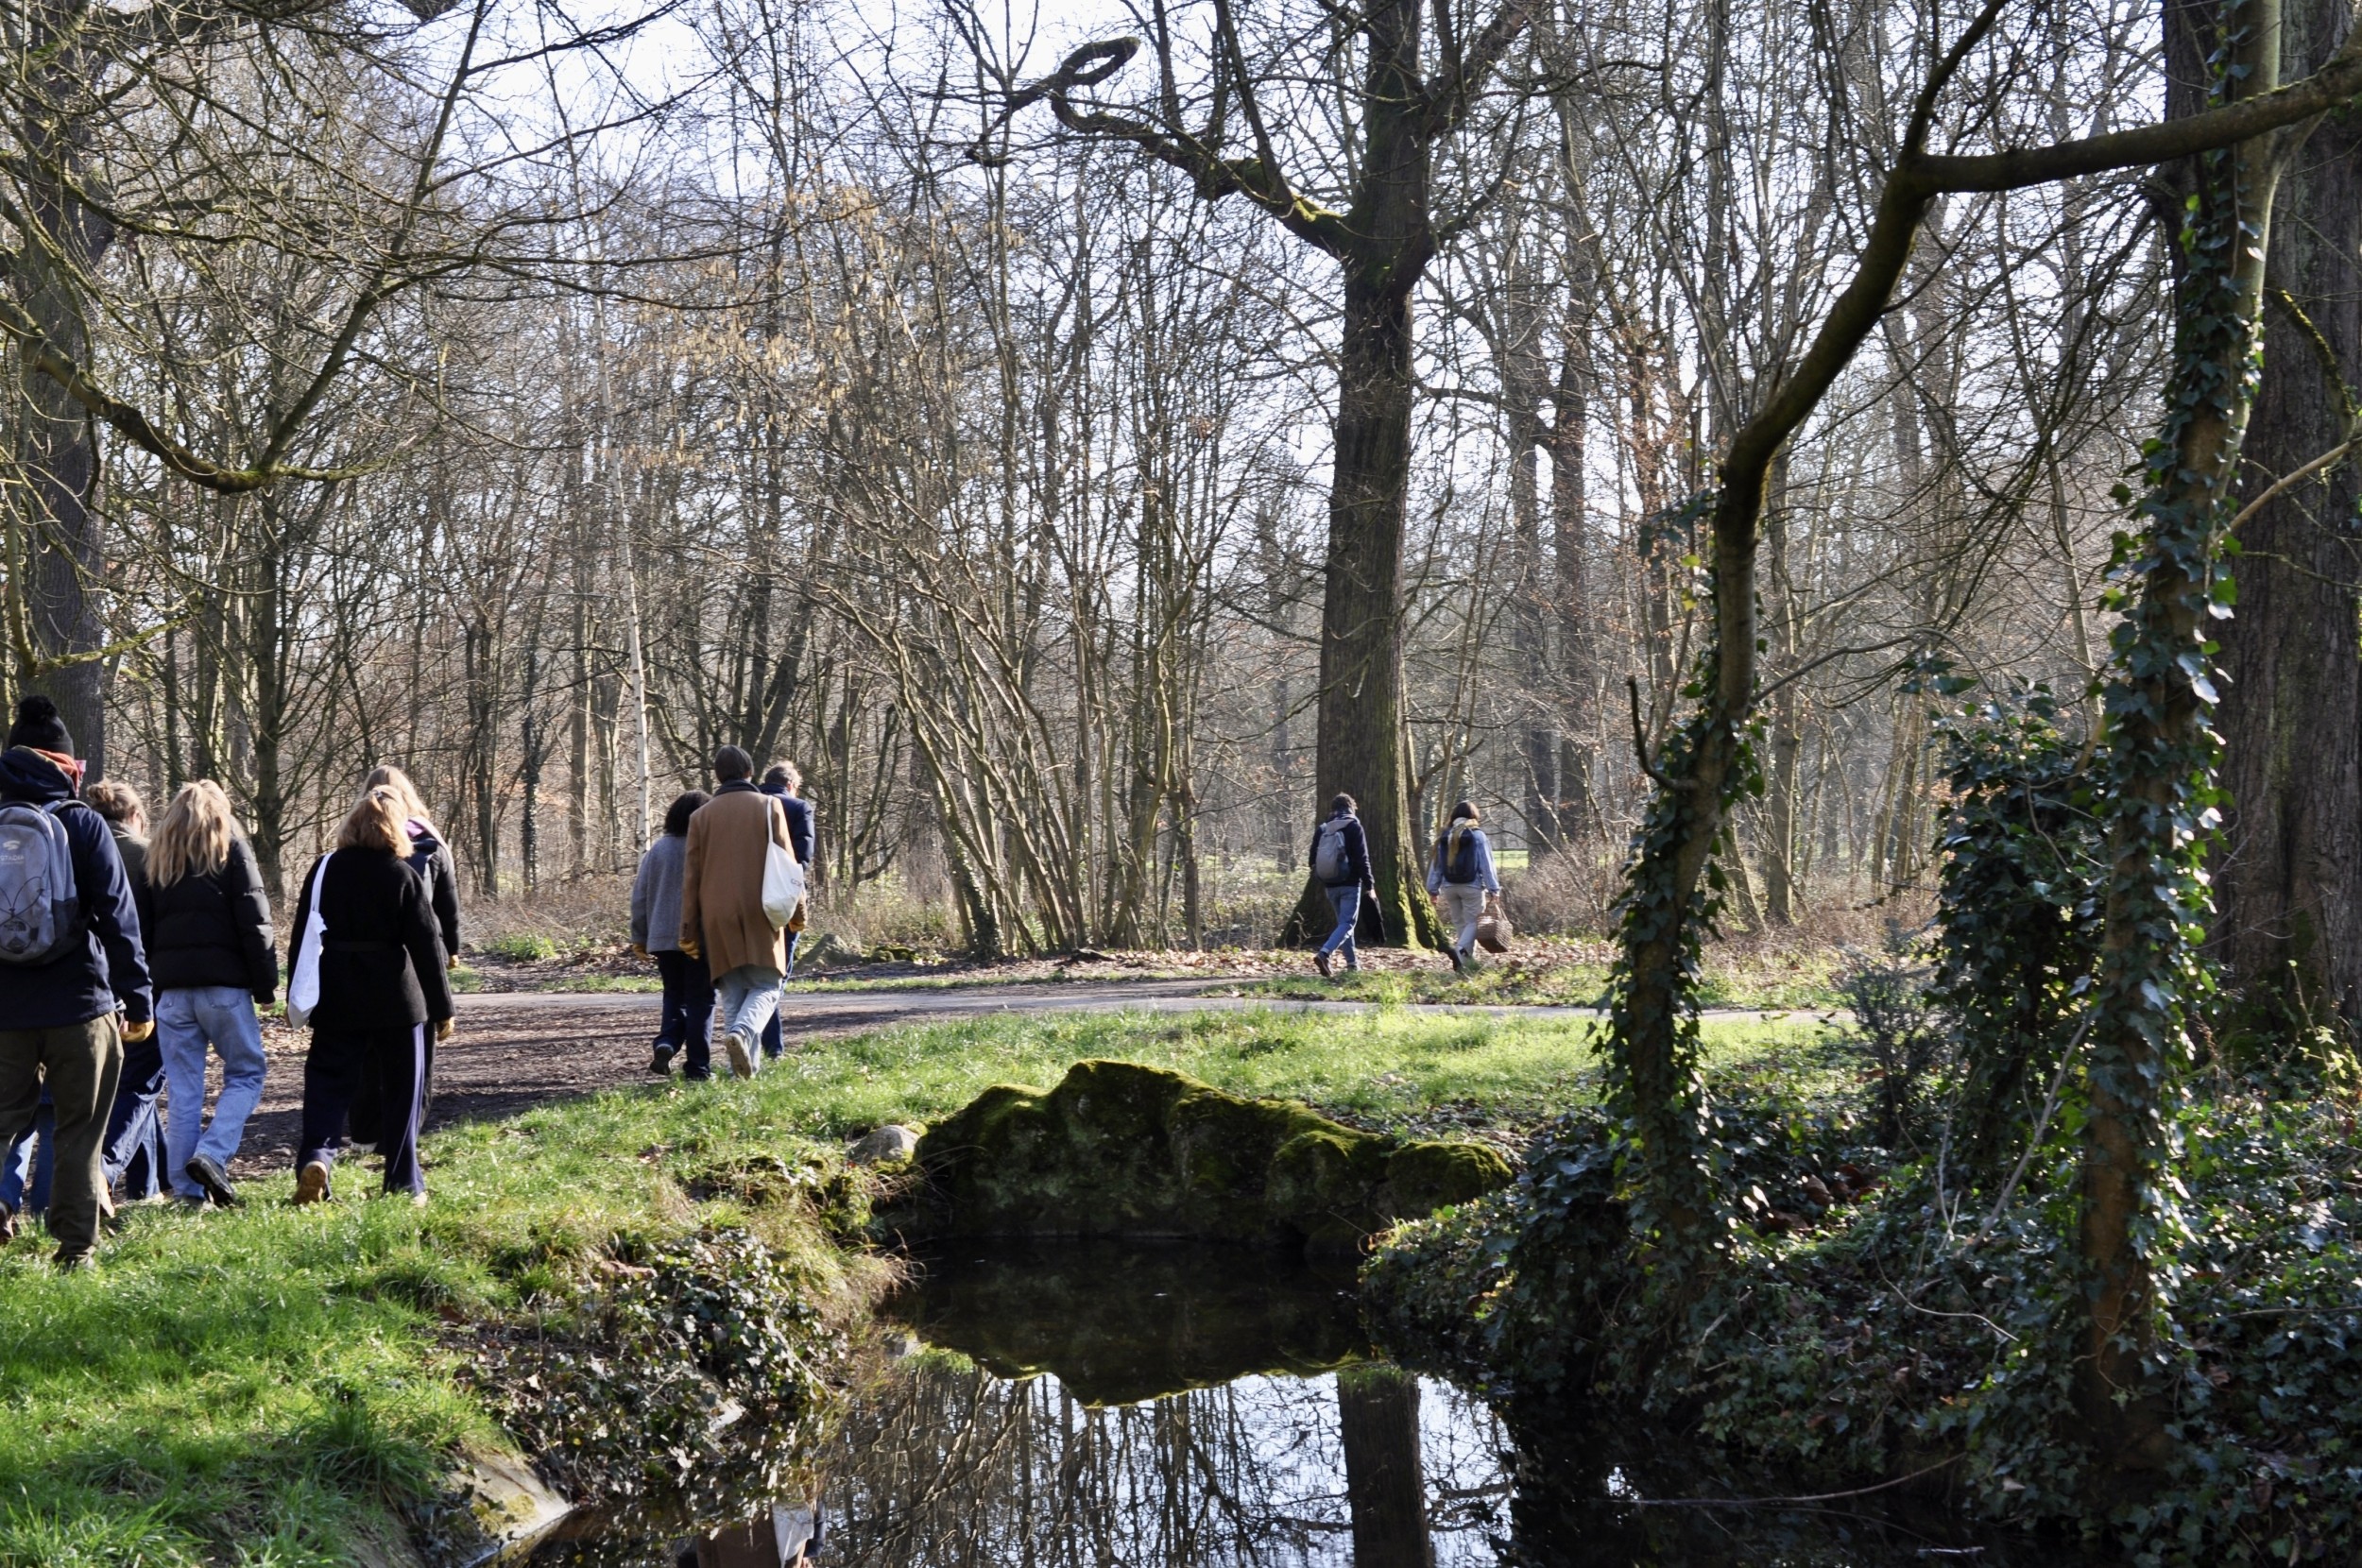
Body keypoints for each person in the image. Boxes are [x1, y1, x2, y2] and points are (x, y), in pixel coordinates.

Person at [0, 695, 153, 1268]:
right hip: (78, 1004)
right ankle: (75, 1248)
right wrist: (137, 997)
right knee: (80, 1130)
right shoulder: (83, 823)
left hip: (3, 1012)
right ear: (64, 766)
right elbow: (118, 916)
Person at [289, 786, 454, 1205]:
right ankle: (403, 1182)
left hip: (336, 997)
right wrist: (442, 1009)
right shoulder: (402, 874)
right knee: (402, 1092)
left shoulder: (325, 868)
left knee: (327, 1083)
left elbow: (301, 937)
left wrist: (296, 992)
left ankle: (317, 1158)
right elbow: (427, 946)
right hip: (399, 1001)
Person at [145, 780, 277, 1209]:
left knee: (184, 1092)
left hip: (172, 995)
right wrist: (265, 986)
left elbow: (143, 933)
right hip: (224, 989)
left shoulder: (158, 858)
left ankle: (187, 1194)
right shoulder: (231, 849)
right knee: (246, 1073)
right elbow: (255, 922)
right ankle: (213, 1154)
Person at [351, 765, 460, 1141]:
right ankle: (407, 1132)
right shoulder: (430, 844)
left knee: (367, 1050)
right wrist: (452, 950)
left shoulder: (354, 842)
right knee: (418, 1050)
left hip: (362, 959)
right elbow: (448, 903)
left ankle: (365, 1129)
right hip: (418, 956)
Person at [679, 745, 795, 1081]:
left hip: (716, 915)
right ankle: (743, 1033)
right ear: (749, 772)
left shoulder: (700, 817)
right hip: (762, 909)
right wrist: (798, 911)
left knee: (732, 993)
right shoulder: (770, 806)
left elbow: (692, 879)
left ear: (717, 775)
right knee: (767, 986)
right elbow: (787, 866)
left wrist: (688, 929)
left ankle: (741, 1077)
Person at [85, 780, 168, 1202]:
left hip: (90, 983)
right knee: (145, 1077)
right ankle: (106, 1169)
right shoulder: (149, 855)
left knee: (134, 1078)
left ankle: (151, 1184)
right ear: (135, 816)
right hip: (140, 982)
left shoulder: (77, 849)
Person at [631, 790, 715, 1080]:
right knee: (701, 1001)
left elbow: (639, 898)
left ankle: (666, 1041)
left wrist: (640, 936)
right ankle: (698, 1067)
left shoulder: (657, 850)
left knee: (674, 995)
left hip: (662, 938)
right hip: (699, 939)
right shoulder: (706, 849)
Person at [757, 761, 815, 1061]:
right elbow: (802, 859)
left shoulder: (748, 805)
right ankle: (772, 1049)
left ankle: (767, 1046)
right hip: (784, 902)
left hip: (749, 899)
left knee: (757, 973)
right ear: (791, 785)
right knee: (779, 974)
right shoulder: (799, 807)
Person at [1426, 800, 1502, 974]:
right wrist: (1494, 889)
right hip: (1472, 886)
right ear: (1473, 816)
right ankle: (1460, 950)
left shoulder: (1444, 836)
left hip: (1449, 887)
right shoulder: (1477, 835)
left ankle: (1465, 964)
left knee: (1461, 924)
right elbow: (1486, 864)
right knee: (1474, 923)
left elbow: (1436, 865)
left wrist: (1432, 889)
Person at [1308, 793, 1377, 978]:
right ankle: (1324, 954)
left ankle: (1353, 965)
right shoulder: (1354, 827)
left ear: (1333, 809)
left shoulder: (1323, 829)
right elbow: (1363, 859)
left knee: (1344, 925)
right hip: (1351, 884)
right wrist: (1370, 885)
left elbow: (1311, 858)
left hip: (1330, 884)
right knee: (1347, 924)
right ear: (1351, 808)